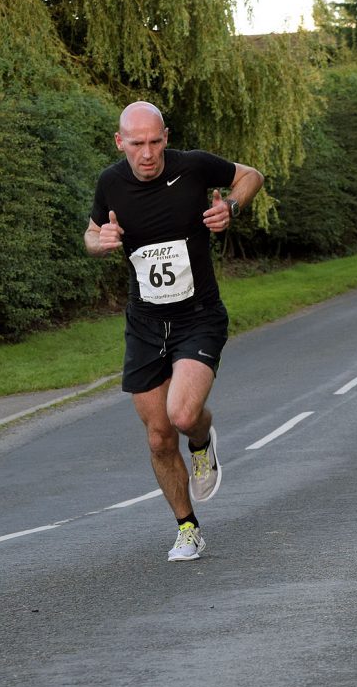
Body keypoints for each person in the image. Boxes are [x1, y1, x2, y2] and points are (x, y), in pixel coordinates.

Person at [84, 101, 264, 561]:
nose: (147, 154)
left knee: (183, 417)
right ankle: (188, 527)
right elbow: (91, 233)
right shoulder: (110, 183)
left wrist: (232, 206)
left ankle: (202, 440)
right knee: (160, 436)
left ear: (166, 137)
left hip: (198, 315)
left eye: (155, 142)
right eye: (137, 144)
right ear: (119, 142)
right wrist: (99, 242)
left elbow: (251, 175)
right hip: (144, 323)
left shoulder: (194, 167)